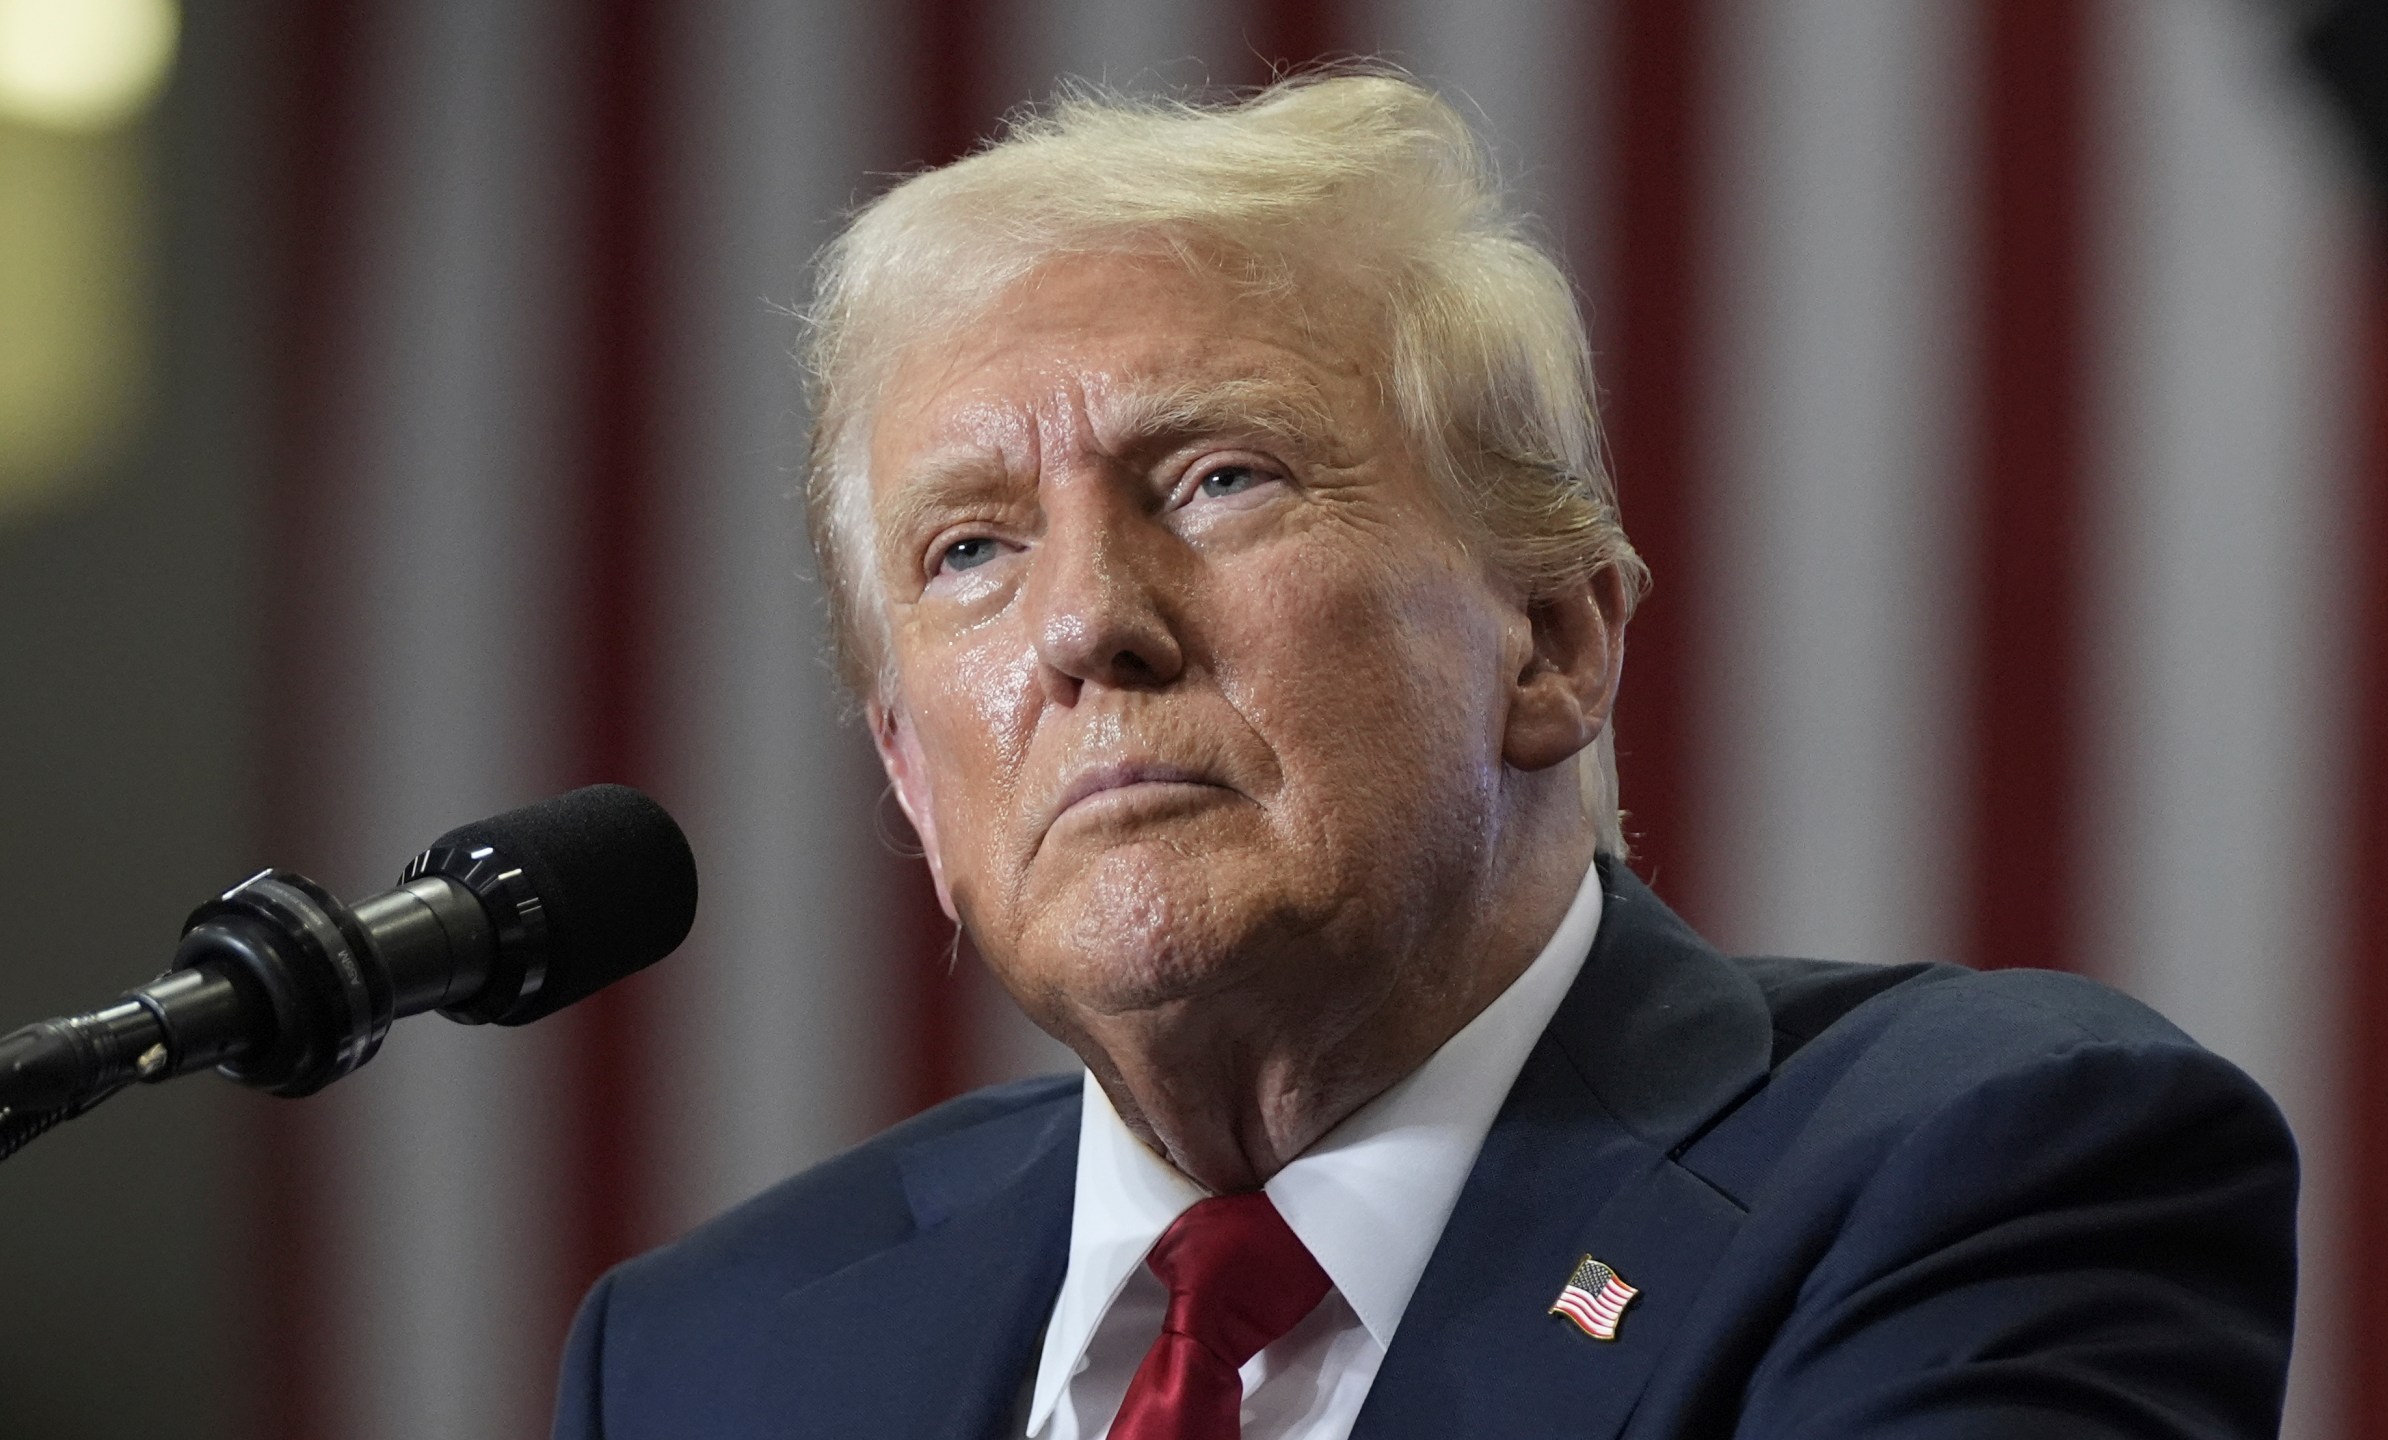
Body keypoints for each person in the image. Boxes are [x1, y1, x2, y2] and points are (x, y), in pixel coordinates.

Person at [552, 74, 2296, 1440]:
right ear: (917, 788)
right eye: (971, 551)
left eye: (1220, 477)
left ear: (1551, 642)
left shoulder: (1973, 1170)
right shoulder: (708, 1359)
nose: (1089, 623)